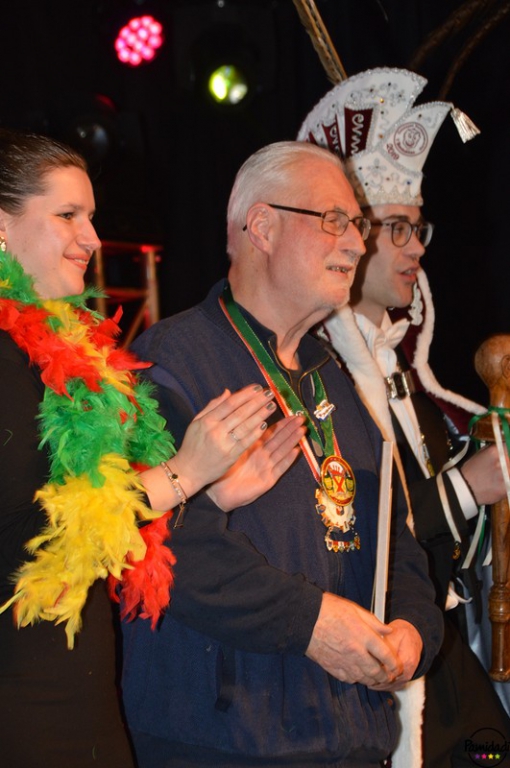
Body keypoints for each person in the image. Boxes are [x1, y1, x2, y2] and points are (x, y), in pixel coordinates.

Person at [121, 140, 443, 768]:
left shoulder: (336, 380)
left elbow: (394, 544)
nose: (356, 244)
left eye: (358, 225)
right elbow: (163, 544)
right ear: (262, 227)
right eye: (334, 220)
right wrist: (312, 623)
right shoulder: (168, 362)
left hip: (353, 739)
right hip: (222, 744)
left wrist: (411, 632)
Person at [0, 128, 305, 767]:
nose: (91, 238)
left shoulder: (61, 354)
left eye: (90, 217)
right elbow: (33, 541)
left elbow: (100, 539)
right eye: (67, 215)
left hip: (82, 706)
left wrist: (211, 492)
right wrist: (183, 473)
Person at [299, 67, 510, 766]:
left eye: (418, 228)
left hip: (435, 646)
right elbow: (353, 526)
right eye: (398, 229)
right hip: (367, 664)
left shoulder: (396, 365)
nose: (417, 247)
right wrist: (470, 485)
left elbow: (438, 529)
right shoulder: (315, 371)